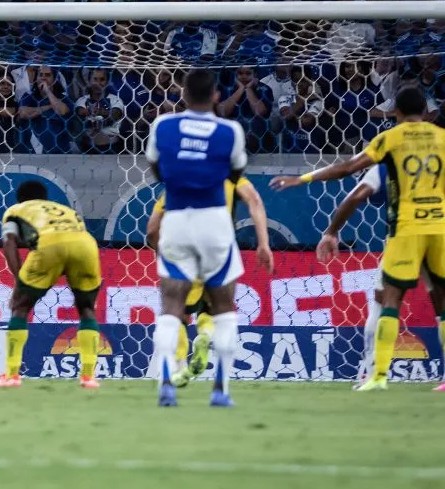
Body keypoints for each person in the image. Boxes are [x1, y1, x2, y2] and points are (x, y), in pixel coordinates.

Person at [271, 87, 445, 391]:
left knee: (388, 299)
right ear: (427, 112)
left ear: (396, 113)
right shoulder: (442, 138)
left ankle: (377, 375)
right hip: (440, 228)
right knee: (442, 302)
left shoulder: (390, 142)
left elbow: (350, 177)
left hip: (405, 230)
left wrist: (303, 180)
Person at [145, 69, 266, 407]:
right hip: (215, 222)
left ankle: (166, 385)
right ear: (216, 96)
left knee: (171, 307)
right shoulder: (230, 130)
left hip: (177, 219)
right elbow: (235, 172)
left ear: (183, 94)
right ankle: (220, 391)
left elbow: (157, 170)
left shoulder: (163, 126)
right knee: (224, 309)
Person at [313, 163, 445, 390]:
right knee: (441, 305)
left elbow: (357, 196)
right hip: (437, 238)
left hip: (404, 240)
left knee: (382, 301)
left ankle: (372, 373)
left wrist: (331, 231)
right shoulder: (437, 161)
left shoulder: (388, 165)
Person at [146, 174, 272, 388]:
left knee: (179, 311)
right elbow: (255, 200)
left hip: (184, 249)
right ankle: (205, 333)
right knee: (215, 305)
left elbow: (151, 229)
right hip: (218, 247)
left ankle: (178, 366)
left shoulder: (179, 182)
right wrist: (263, 243)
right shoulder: (230, 177)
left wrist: (161, 250)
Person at [0, 180, 101, 389]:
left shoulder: (16, 210)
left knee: (20, 307)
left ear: (21, 199)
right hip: (86, 245)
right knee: (87, 309)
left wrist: (19, 281)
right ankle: (88, 377)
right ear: (45, 199)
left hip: (49, 244)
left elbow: (9, 241)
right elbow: (71, 242)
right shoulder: (66, 211)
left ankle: (12, 375)